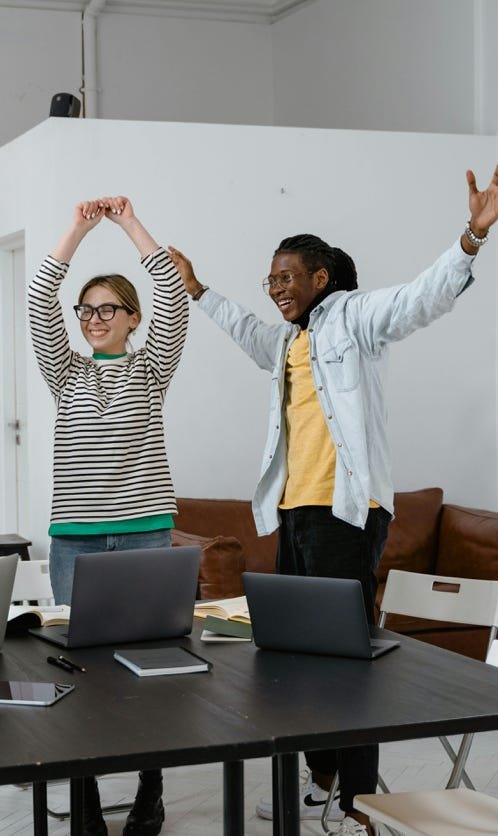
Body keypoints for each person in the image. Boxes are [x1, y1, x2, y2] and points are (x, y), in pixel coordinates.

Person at [167, 163, 498, 836]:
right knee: (299, 656)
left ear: (320, 278)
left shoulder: (355, 318)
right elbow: (243, 329)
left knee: (348, 660)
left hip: (347, 513)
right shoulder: (289, 340)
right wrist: (199, 289)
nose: (275, 288)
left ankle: (356, 802)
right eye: (270, 279)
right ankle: (321, 785)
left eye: (285, 277)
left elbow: (421, 298)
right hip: (296, 513)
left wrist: (472, 235)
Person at [28, 196, 189, 836]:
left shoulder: (152, 368)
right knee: (80, 673)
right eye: (86, 310)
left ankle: (151, 788)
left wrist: (127, 224)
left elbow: (173, 294)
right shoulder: (65, 374)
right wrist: (76, 230)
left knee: (149, 670)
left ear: (133, 319)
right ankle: (86, 799)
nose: (93, 319)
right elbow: (43, 299)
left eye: (108, 309)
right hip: (77, 545)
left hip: (147, 535)